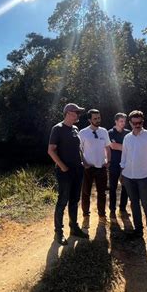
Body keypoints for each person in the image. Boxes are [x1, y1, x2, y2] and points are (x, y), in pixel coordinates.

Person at [47, 103, 90, 245]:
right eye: (77, 112)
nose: (79, 115)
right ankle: (58, 232)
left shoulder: (76, 128)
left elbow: (78, 149)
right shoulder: (57, 129)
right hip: (65, 172)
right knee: (62, 201)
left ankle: (74, 228)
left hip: (78, 170)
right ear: (69, 113)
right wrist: (63, 167)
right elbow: (51, 150)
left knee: (74, 200)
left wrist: (83, 161)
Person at [121, 110, 147, 248]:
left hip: (144, 177)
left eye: (140, 122)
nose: (137, 125)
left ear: (143, 122)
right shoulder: (127, 138)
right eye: (135, 123)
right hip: (128, 176)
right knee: (134, 204)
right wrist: (122, 172)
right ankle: (138, 231)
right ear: (130, 123)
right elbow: (124, 156)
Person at [79, 109, 111, 228]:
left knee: (102, 193)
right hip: (88, 168)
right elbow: (79, 150)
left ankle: (102, 216)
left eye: (99, 118)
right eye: (95, 119)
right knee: (86, 193)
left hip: (101, 167)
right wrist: (84, 163)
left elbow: (108, 147)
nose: (98, 120)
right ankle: (85, 217)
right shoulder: (83, 133)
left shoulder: (104, 132)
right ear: (89, 120)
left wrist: (109, 161)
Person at [108, 113, 130, 219]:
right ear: (116, 121)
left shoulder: (128, 133)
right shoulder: (110, 133)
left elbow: (118, 146)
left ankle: (122, 208)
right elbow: (113, 145)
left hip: (126, 164)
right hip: (114, 164)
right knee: (113, 187)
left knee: (125, 187)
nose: (123, 123)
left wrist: (120, 146)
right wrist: (127, 147)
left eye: (124, 121)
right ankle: (112, 209)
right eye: (121, 121)